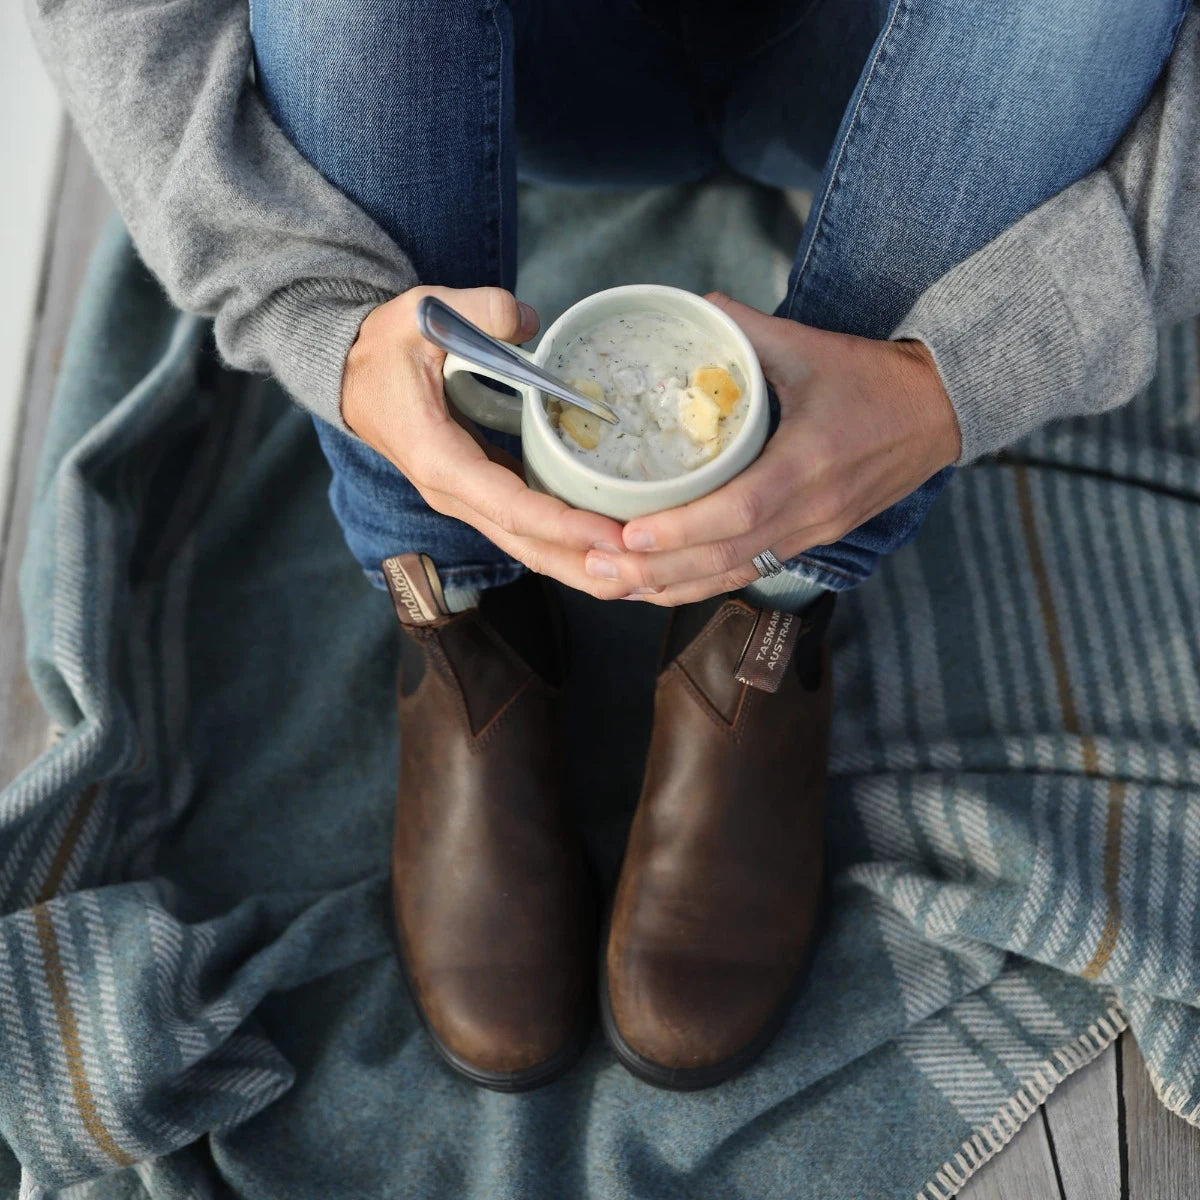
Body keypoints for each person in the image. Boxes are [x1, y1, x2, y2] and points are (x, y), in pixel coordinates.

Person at [27, 0, 1199, 1091]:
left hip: (938, 75)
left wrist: (957, 380)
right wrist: (314, 316)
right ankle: (460, 617)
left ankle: (769, 615)